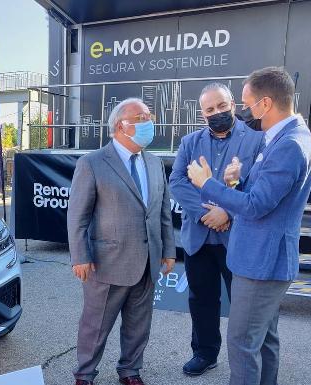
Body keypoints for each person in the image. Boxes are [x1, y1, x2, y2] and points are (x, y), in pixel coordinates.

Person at [187, 67, 311, 385]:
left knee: (242, 345)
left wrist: (209, 184)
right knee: (264, 340)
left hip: (260, 264)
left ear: (266, 103)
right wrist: (236, 181)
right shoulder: (285, 137)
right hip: (261, 260)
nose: (245, 111)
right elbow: (261, 195)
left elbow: (256, 207)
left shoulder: (288, 145)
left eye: (247, 103)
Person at [68, 98, 176, 385]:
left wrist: (168, 251)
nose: (149, 122)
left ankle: (130, 371)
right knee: (96, 325)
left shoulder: (154, 162)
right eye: (141, 117)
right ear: (121, 126)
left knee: (138, 324)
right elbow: (77, 215)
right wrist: (80, 256)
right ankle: (85, 374)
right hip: (107, 262)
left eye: (149, 116)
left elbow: (162, 211)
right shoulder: (92, 163)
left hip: (147, 261)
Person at [169, 83, 264, 376]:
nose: (217, 113)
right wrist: (205, 213)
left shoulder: (257, 141)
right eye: (209, 109)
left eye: (221, 106)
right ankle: (205, 353)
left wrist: (227, 212)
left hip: (238, 238)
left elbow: (258, 187)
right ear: (202, 114)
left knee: (244, 305)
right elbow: (177, 182)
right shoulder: (189, 142)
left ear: (233, 104)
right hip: (199, 237)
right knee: (201, 300)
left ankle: (246, 361)